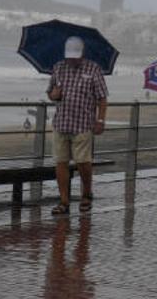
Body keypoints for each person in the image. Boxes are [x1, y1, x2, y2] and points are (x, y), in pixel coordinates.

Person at [47, 36, 108, 215]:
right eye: (69, 56)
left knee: (83, 162)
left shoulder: (93, 68)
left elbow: (102, 98)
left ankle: (86, 194)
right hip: (61, 122)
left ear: (82, 54)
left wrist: (101, 120)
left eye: (75, 56)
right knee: (61, 162)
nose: (72, 59)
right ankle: (64, 201)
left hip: (83, 123)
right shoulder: (58, 68)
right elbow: (50, 93)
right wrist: (54, 95)